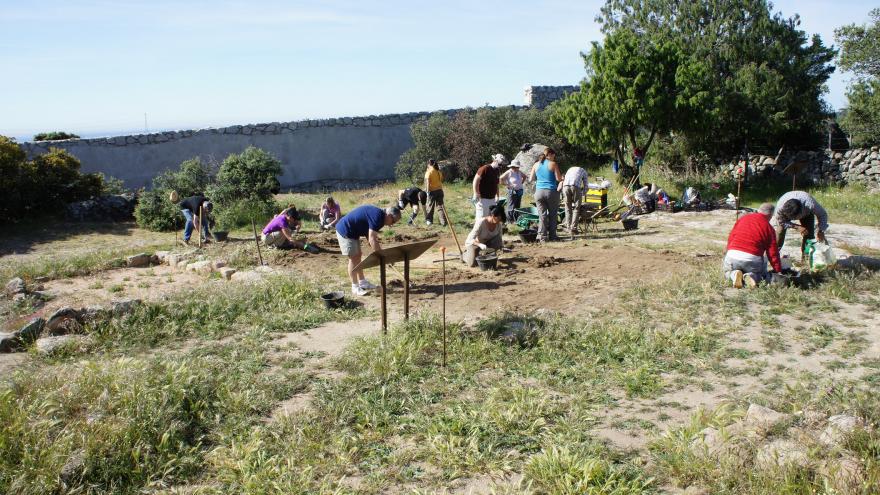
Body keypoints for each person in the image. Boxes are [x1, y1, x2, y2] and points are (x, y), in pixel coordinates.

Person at [336, 205, 402, 296]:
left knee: (358, 255)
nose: (392, 225)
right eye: (393, 221)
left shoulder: (381, 218)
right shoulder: (378, 216)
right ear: (389, 215)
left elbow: (370, 236)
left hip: (353, 232)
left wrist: (381, 255)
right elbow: (372, 239)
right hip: (345, 230)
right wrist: (383, 257)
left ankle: (362, 282)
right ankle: (354, 287)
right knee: (354, 258)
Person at [723, 203, 783, 288]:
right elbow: (773, 253)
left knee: (727, 272)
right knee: (761, 276)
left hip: (732, 256)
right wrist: (778, 270)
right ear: (770, 215)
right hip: (752, 260)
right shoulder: (769, 228)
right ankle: (751, 276)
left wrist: (727, 251)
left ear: (758, 210)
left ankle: (734, 274)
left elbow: (731, 236)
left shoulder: (743, 218)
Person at [529, 148, 564, 242]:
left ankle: (542, 237)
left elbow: (531, 179)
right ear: (550, 154)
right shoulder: (553, 164)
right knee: (553, 214)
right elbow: (558, 178)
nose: (554, 157)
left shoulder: (536, 164)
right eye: (553, 155)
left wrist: (540, 179)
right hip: (551, 191)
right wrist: (562, 178)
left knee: (542, 215)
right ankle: (553, 236)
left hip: (539, 192)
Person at [472, 154, 505, 222]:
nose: (500, 166)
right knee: (481, 218)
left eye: (501, 165)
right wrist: (476, 193)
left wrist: (497, 196)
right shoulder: (485, 168)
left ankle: (487, 232)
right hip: (483, 198)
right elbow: (476, 180)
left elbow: (496, 184)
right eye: (499, 164)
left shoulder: (496, 170)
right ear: (495, 160)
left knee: (490, 217)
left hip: (492, 199)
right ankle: (478, 232)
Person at [561, 165, 589, 234]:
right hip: (575, 186)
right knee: (576, 208)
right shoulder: (583, 171)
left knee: (567, 208)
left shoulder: (570, 169)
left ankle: (568, 227)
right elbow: (586, 185)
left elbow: (564, 180)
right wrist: (582, 194)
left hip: (565, 186)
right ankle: (573, 228)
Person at [423, 159, 446, 226]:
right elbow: (441, 179)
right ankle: (443, 222)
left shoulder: (429, 172)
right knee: (440, 207)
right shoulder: (438, 171)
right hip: (440, 191)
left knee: (430, 207)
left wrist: (427, 192)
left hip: (432, 192)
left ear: (429, 164)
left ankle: (429, 221)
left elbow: (427, 182)